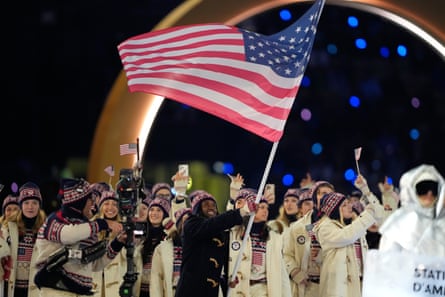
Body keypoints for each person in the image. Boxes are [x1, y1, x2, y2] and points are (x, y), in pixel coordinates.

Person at [31, 177, 125, 297]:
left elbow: (95, 264)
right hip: (56, 291)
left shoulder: (87, 227)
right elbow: (68, 235)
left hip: (80, 293)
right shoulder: (55, 221)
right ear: (79, 202)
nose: (93, 203)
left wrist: (117, 243)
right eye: (89, 199)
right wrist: (103, 223)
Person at [174, 190, 255, 297]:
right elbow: (213, 224)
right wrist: (241, 212)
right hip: (190, 291)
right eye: (206, 204)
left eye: (213, 205)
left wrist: (227, 279)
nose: (211, 207)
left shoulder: (220, 234)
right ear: (198, 208)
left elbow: (220, 264)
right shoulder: (191, 223)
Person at [313, 191, 383, 297]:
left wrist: (365, 189)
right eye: (344, 205)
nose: (350, 206)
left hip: (359, 283)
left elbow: (380, 212)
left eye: (349, 203)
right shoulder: (325, 227)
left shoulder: (354, 225)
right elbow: (346, 236)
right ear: (334, 210)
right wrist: (366, 216)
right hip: (338, 288)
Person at [227, 192, 291, 297]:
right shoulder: (236, 232)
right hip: (241, 288)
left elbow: (281, 271)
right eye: (261, 207)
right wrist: (233, 198)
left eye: (267, 208)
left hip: (263, 290)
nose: (265, 211)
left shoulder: (274, 237)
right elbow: (227, 219)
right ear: (251, 208)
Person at [282, 180, 334, 297]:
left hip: (331, 287)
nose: (327, 198)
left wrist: (322, 256)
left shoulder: (340, 226)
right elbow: (286, 254)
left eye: (330, 195)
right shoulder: (297, 227)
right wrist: (295, 271)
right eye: (322, 194)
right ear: (314, 197)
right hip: (307, 287)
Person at [378, 164, 445, 256]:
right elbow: (386, 263)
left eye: (434, 188)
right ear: (411, 190)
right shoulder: (397, 224)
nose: (429, 194)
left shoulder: (442, 223)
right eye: (423, 188)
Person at [0, 182, 47, 297]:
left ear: (39, 206)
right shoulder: (9, 228)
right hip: (11, 289)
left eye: (34, 203)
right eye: (26, 203)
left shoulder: (46, 229)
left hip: (36, 290)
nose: (30, 207)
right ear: (21, 205)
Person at [91, 190, 129, 297]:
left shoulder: (124, 228)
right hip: (94, 282)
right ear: (100, 207)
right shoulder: (92, 227)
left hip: (116, 283)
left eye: (115, 204)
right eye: (106, 204)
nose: (110, 208)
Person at [150, 208, 191, 297]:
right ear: (179, 224)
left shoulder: (200, 246)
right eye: (186, 221)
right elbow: (156, 280)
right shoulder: (163, 248)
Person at [138, 197, 171, 297]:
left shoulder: (169, 237)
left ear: (165, 214)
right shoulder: (141, 234)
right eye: (151, 210)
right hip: (140, 290)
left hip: (159, 289)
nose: (154, 213)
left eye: (159, 210)